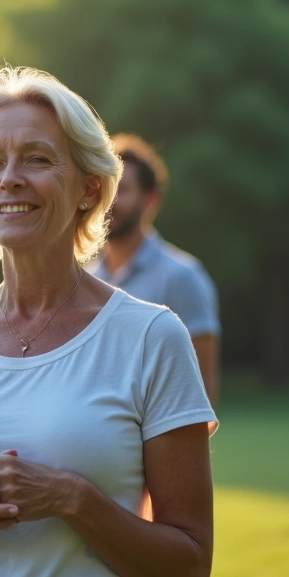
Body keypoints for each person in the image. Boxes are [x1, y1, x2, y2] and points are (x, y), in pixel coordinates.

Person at [0, 67, 217, 577]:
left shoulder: (150, 338)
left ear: (88, 187)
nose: (9, 177)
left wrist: (68, 497)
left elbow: (189, 565)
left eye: (36, 158)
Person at [87, 134, 221, 408]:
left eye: (121, 190)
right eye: (104, 191)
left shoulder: (182, 277)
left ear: (149, 201)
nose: (109, 202)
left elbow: (203, 389)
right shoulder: (85, 280)